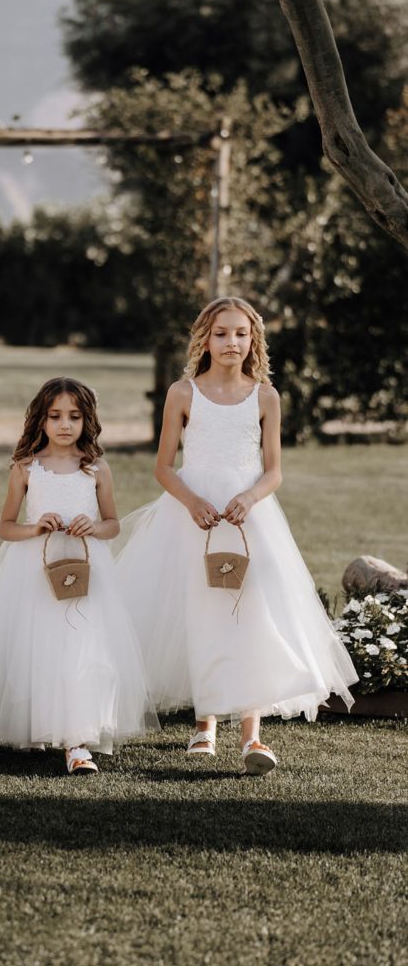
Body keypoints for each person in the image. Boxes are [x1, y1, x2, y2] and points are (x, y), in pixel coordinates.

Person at [116, 297, 358, 775]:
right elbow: (163, 467)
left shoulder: (265, 396)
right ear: (204, 338)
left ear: (254, 340)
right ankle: (204, 725)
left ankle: (252, 736)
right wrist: (193, 503)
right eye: (221, 333)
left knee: (250, 613)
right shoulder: (183, 393)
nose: (231, 342)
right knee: (201, 610)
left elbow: (273, 472)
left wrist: (249, 499)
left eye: (240, 334)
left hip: (249, 519)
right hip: (192, 518)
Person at [0, 377, 158, 774]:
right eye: (56, 416)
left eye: (74, 416)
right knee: (40, 647)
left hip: (86, 568)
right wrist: (35, 527)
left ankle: (76, 741)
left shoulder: (95, 469)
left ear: (87, 420)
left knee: (82, 646)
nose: (65, 424)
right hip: (36, 568)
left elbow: (113, 524)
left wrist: (92, 525)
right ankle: (43, 724)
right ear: (40, 420)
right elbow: (5, 526)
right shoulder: (26, 468)